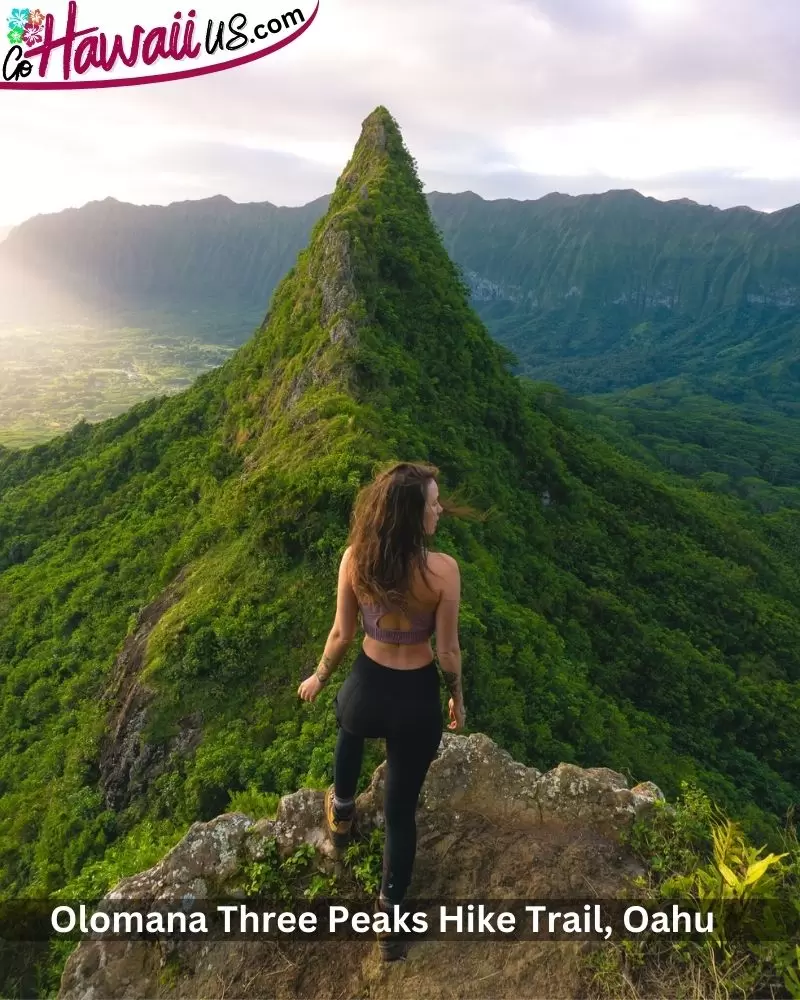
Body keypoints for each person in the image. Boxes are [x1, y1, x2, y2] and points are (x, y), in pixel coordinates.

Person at [297, 461, 467, 960]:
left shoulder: (355, 560)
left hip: (366, 690)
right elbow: (448, 650)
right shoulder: (444, 572)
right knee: (399, 814)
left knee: (348, 726)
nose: (439, 509)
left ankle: (343, 811)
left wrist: (319, 676)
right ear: (414, 516)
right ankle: (390, 925)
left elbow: (341, 634)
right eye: (432, 502)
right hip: (415, 700)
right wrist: (456, 694)